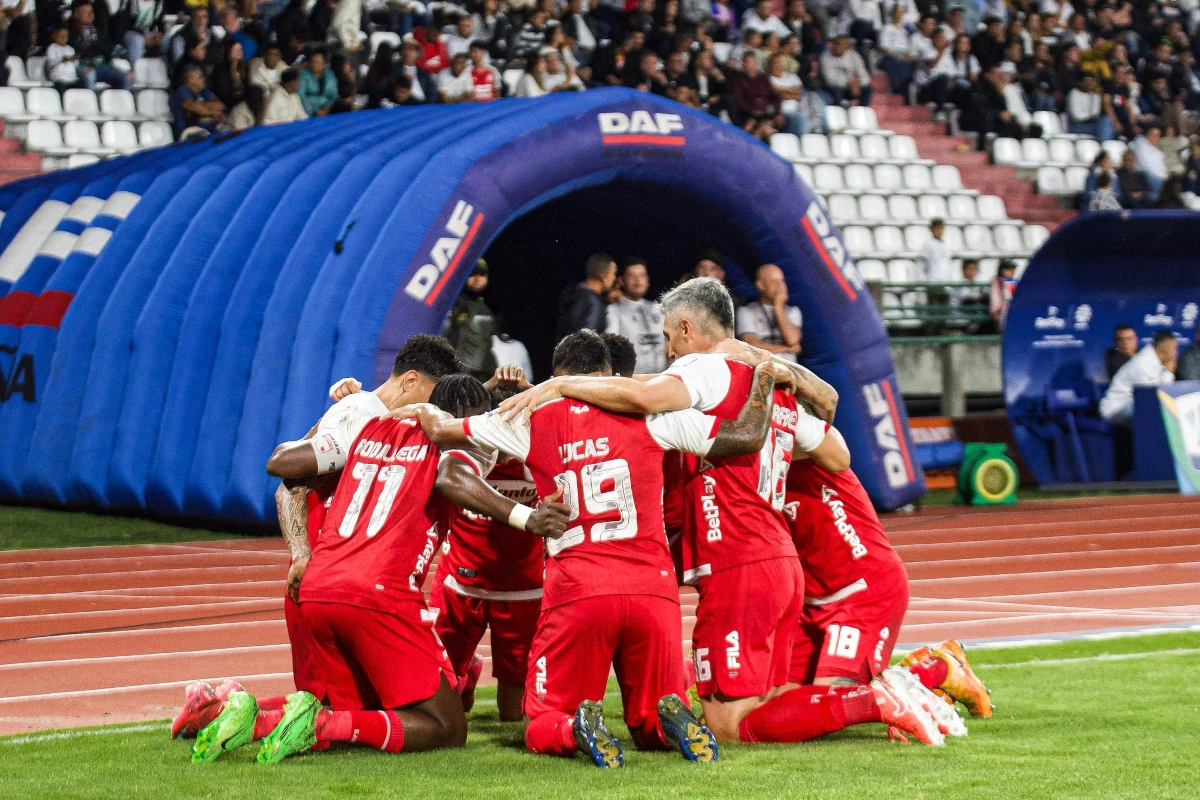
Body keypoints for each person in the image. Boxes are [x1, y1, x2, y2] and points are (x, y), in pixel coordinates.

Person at [495, 284, 947, 747]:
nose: (669, 349)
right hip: (780, 564)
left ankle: (875, 700)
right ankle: (910, 683)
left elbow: (646, 397)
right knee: (773, 699)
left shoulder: (705, 369)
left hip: (737, 564)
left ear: (689, 329)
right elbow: (837, 454)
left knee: (729, 726)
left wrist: (562, 384)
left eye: (671, 336)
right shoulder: (769, 387)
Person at [408, 329, 790, 766]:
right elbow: (746, 435)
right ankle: (667, 719)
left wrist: (424, 403)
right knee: (649, 717)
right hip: (652, 590)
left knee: (540, 721)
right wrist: (764, 375)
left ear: (558, 376)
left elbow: (441, 431)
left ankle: (574, 728)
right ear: (610, 375)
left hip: (580, 589)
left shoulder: (532, 416)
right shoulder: (654, 416)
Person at [190, 339, 570, 764]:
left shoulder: (367, 425)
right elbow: (450, 475)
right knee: (447, 727)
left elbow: (292, 482)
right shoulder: (452, 442)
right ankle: (318, 725)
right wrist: (527, 518)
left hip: (319, 584)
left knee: (359, 711)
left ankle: (245, 713)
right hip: (379, 593)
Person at [1099, 331, 1178, 424]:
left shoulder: (1154, 361)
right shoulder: (1143, 364)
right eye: (1175, 348)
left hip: (1132, 406)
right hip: (1116, 409)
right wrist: (1169, 374)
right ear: (1166, 349)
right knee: (1151, 409)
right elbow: (1153, 398)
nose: (1176, 352)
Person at [605, 258, 666, 374]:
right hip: (632, 382)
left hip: (661, 380)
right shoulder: (614, 310)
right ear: (621, 280)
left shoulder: (658, 309)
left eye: (642, 275)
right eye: (631, 276)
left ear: (647, 280)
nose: (638, 280)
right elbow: (611, 348)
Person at [441, 260, 497, 381]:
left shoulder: (488, 306)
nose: (477, 279)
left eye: (481, 275)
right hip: (459, 373)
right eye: (472, 274)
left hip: (485, 373)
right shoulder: (453, 303)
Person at [735, 264, 802, 363]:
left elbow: (792, 340)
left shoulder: (793, 311)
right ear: (760, 285)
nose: (780, 286)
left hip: (788, 371)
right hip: (760, 369)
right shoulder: (746, 311)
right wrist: (786, 348)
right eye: (774, 281)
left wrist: (778, 307)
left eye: (782, 281)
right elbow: (752, 345)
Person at [555, 252, 616, 343]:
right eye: (613, 274)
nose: (614, 278)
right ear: (603, 275)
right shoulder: (594, 304)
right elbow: (587, 343)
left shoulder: (573, 294)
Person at [170, 65, 224, 136]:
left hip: (208, 129)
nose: (203, 79)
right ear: (191, 79)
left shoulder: (203, 91)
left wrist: (205, 108)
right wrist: (212, 112)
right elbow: (198, 109)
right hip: (188, 133)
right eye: (200, 77)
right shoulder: (182, 92)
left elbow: (220, 105)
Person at [819, 33, 871, 106]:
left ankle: (860, 110)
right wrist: (848, 84)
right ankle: (837, 112)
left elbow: (864, 75)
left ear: (847, 47)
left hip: (850, 87)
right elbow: (829, 79)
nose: (835, 47)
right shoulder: (825, 57)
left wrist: (859, 83)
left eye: (839, 44)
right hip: (831, 87)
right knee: (837, 90)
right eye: (835, 44)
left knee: (867, 89)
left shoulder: (854, 56)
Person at [299, 50, 338, 116]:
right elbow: (301, 95)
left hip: (326, 105)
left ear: (324, 64)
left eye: (317, 62)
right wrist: (317, 110)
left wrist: (328, 106)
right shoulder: (303, 74)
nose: (314, 64)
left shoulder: (329, 74)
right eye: (312, 61)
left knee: (342, 106)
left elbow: (334, 93)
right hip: (309, 106)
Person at [915, 218, 952, 283]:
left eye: (941, 228)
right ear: (931, 230)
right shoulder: (928, 244)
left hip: (945, 281)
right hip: (932, 280)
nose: (939, 231)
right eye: (936, 229)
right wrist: (921, 279)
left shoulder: (945, 245)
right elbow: (921, 264)